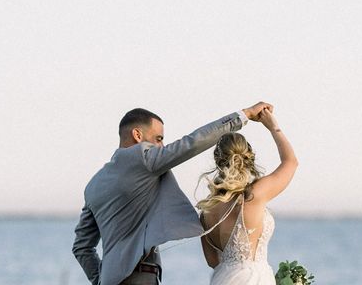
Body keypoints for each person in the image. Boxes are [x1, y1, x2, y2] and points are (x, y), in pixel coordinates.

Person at [72, 102, 273, 285]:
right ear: (137, 135)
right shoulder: (143, 159)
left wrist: (102, 279)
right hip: (140, 278)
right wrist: (244, 115)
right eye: (158, 139)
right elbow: (191, 143)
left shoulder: (94, 185)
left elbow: (81, 247)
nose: (161, 146)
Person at [197, 108, 297, 285]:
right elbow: (291, 162)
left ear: (218, 161)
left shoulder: (206, 211)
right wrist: (273, 126)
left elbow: (213, 262)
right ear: (248, 156)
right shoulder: (253, 195)